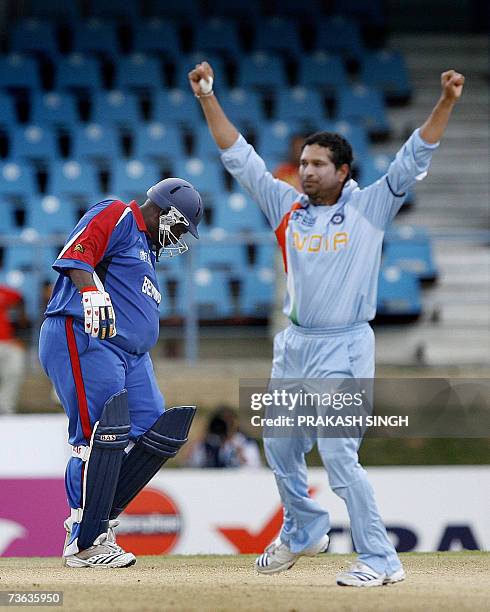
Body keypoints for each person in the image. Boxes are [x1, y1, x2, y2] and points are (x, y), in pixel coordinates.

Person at [189, 62, 464, 586]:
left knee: (339, 453)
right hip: (294, 347)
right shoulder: (285, 206)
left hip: (345, 347)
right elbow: (238, 156)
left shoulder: (371, 207)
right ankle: (304, 528)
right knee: (280, 446)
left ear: (343, 171)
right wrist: (207, 96)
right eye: (303, 163)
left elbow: (415, 154)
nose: (306, 171)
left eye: (317, 164)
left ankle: (382, 560)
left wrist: (446, 101)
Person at [38, 179, 203, 568]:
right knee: (99, 433)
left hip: (131, 355)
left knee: (154, 432)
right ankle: (84, 541)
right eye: (180, 227)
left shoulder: (148, 251)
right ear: (168, 213)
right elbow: (78, 255)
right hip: (85, 335)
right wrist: (90, 291)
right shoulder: (119, 215)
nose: (180, 237)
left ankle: (97, 520)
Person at [187, 407, 262, 468]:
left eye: (230, 421)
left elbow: (254, 466)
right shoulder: (209, 443)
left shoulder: (245, 442)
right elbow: (191, 463)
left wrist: (237, 449)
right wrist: (203, 437)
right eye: (223, 422)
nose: (226, 426)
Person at [0, 284, 30, 415]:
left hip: (8, 341)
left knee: (14, 371)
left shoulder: (5, 292)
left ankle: (6, 408)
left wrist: (20, 335)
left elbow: (20, 302)